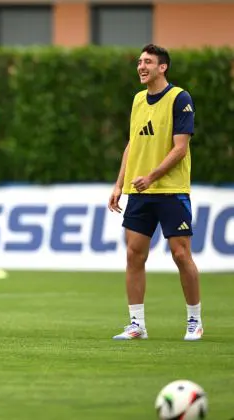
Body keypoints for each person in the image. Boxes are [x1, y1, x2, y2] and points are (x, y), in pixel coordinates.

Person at [108, 44, 202, 341]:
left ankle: (194, 321)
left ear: (163, 67)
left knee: (180, 255)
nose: (141, 66)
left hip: (171, 189)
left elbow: (180, 148)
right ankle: (137, 324)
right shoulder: (138, 100)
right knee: (134, 255)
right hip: (139, 192)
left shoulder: (179, 98)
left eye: (147, 62)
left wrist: (152, 176)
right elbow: (132, 144)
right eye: (139, 62)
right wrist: (119, 184)